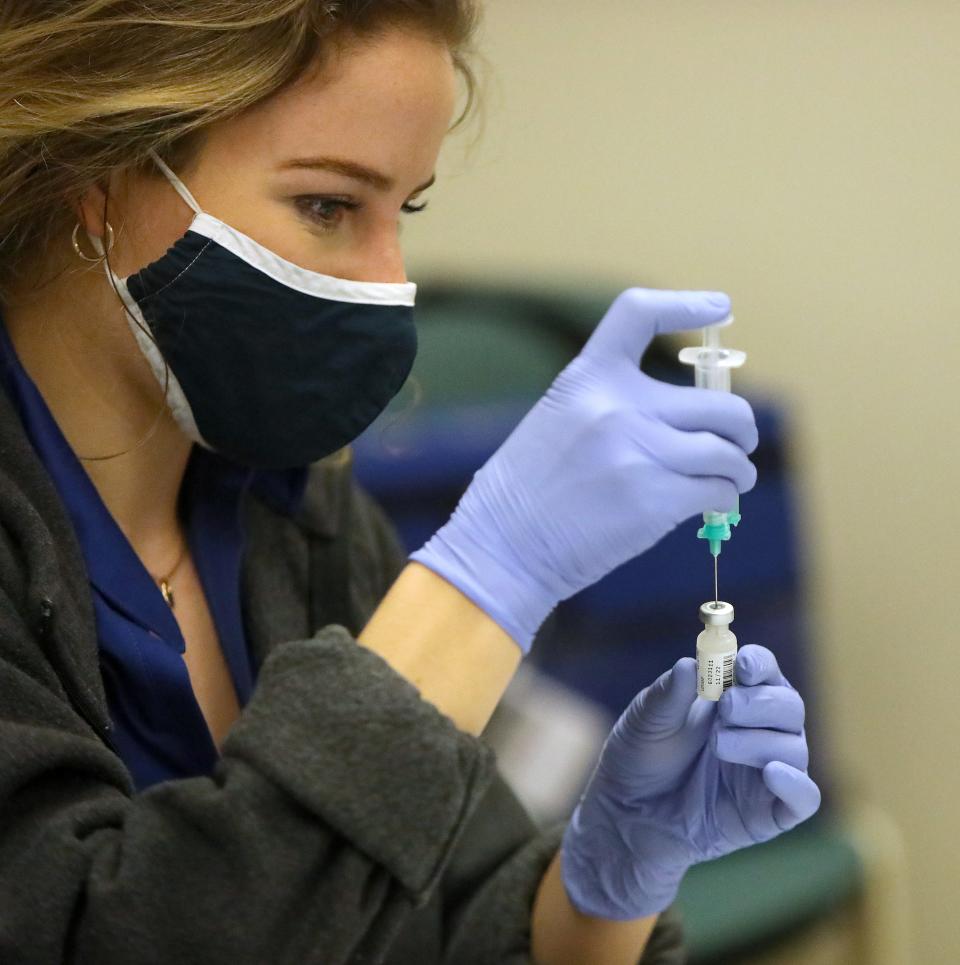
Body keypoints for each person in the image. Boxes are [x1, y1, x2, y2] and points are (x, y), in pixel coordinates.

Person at [0, 2, 820, 963]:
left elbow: (433, 921)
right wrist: (490, 571)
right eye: (329, 206)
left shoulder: (289, 511)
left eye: (407, 210)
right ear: (94, 175)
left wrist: (605, 888)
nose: (392, 284)